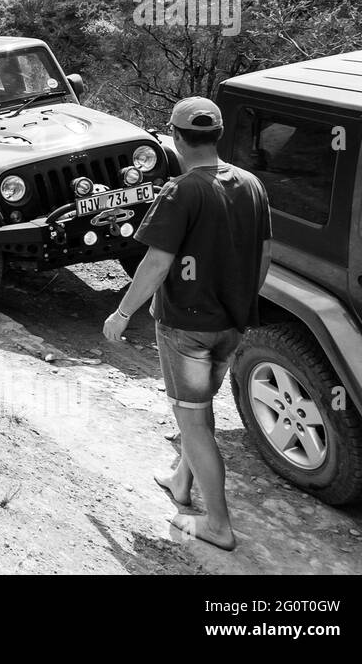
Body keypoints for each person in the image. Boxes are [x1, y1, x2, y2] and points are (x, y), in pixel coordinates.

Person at [103, 97, 271, 552]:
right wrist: (240, 302)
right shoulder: (252, 185)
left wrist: (122, 313)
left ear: (175, 138)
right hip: (231, 325)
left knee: (192, 422)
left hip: (186, 328)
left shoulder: (180, 191)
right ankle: (181, 481)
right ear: (216, 135)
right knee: (200, 410)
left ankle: (217, 524)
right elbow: (265, 255)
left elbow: (157, 262)